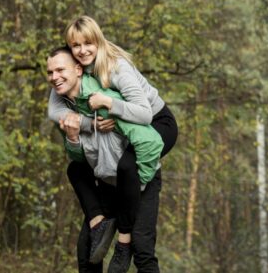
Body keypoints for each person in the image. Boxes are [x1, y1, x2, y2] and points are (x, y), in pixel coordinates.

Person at [49, 16, 179, 272]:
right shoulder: (70, 76)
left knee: (129, 166)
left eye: (88, 43)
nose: (83, 50)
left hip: (156, 121)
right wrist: (91, 124)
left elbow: (144, 114)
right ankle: (99, 222)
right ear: (72, 54)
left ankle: (124, 238)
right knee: (77, 169)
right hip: (115, 146)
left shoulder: (115, 67)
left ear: (98, 41)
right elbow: (55, 113)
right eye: (76, 46)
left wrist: (111, 107)